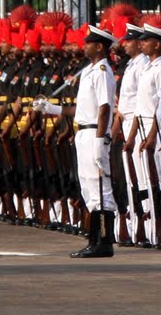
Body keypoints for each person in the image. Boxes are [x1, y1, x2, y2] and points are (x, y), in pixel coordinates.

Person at [34, 24, 118, 257]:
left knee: (100, 189)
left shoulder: (102, 71)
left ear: (99, 46)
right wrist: (50, 108)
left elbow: (104, 109)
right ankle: (94, 240)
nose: (84, 46)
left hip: (94, 134)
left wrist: (101, 141)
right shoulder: (90, 71)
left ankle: (104, 242)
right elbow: (81, 109)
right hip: (83, 132)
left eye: (88, 43)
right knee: (89, 187)